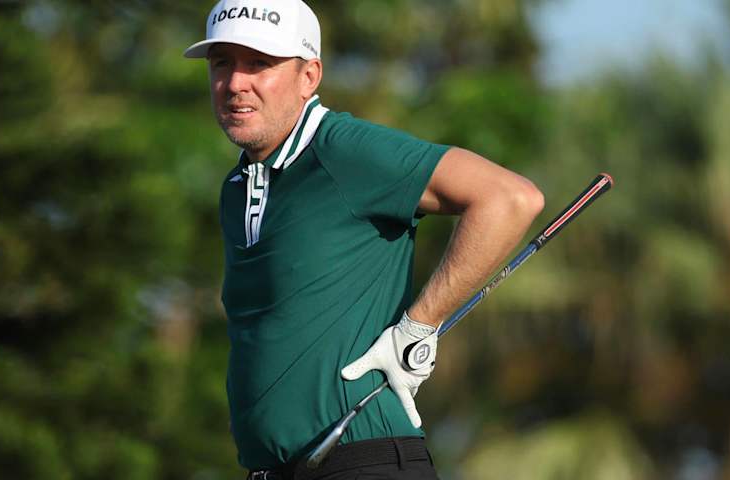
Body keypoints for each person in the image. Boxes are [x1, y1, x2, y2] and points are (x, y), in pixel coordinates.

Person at [184, 0, 544, 478]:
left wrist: (419, 326)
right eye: (222, 63)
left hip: (364, 460)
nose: (234, 83)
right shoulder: (237, 186)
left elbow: (510, 198)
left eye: (259, 64)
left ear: (309, 77)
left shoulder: (342, 149)